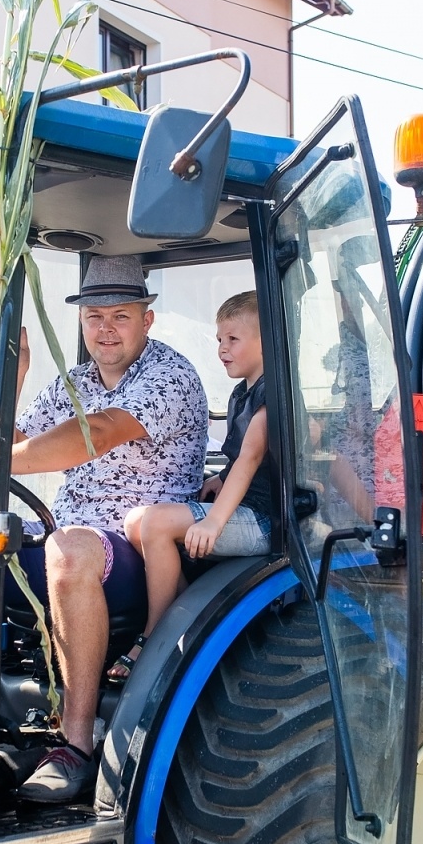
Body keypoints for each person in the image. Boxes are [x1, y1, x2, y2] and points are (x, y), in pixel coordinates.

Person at [10, 255, 208, 802]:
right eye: (94, 316)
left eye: (120, 316)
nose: (105, 329)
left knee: (69, 552)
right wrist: (16, 378)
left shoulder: (170, 377)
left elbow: (98, 430)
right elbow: (13, 433)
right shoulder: (73, 381)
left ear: (147, 319)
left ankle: (75, 746)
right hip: (70, 529)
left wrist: (4, 458)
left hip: (142, 547)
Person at [113, 291, 273, 682]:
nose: (222, 349)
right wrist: (217, 479)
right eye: (219, 340)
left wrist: (213, 522)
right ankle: (185, 609)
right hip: (241, 507)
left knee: (155, 524)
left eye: (232, 339)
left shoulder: (274, 393)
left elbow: (252, 457)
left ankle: (154, 635)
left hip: (263, 522)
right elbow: (240, 459)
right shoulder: (242, 393)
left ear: (265, 339)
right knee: (136, 521)